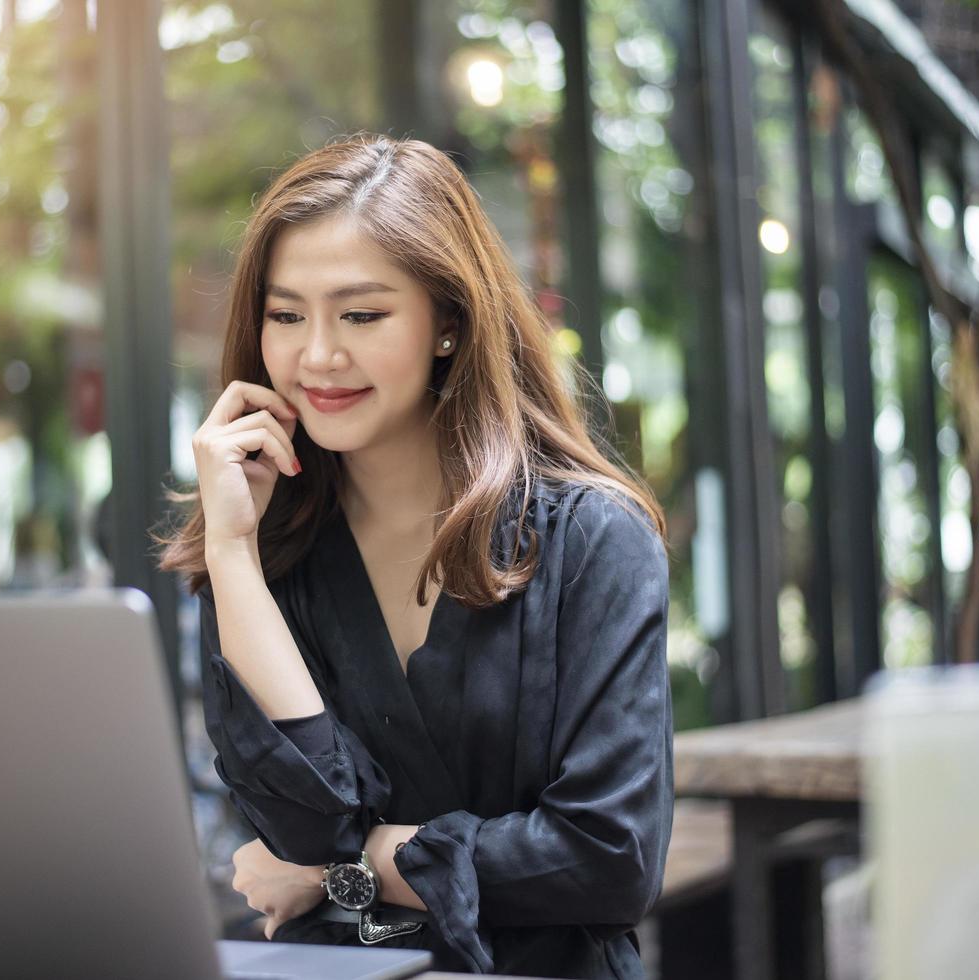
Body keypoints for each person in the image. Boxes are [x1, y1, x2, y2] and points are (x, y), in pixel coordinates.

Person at [155, 133, 673, 979]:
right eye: (286, 315)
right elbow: (298, 821)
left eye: (361, 314)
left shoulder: (590, 539)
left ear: (448, 322)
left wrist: (341, 872)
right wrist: (234, 553)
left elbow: (608, 861)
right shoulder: (263, 545)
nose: (316, 355)